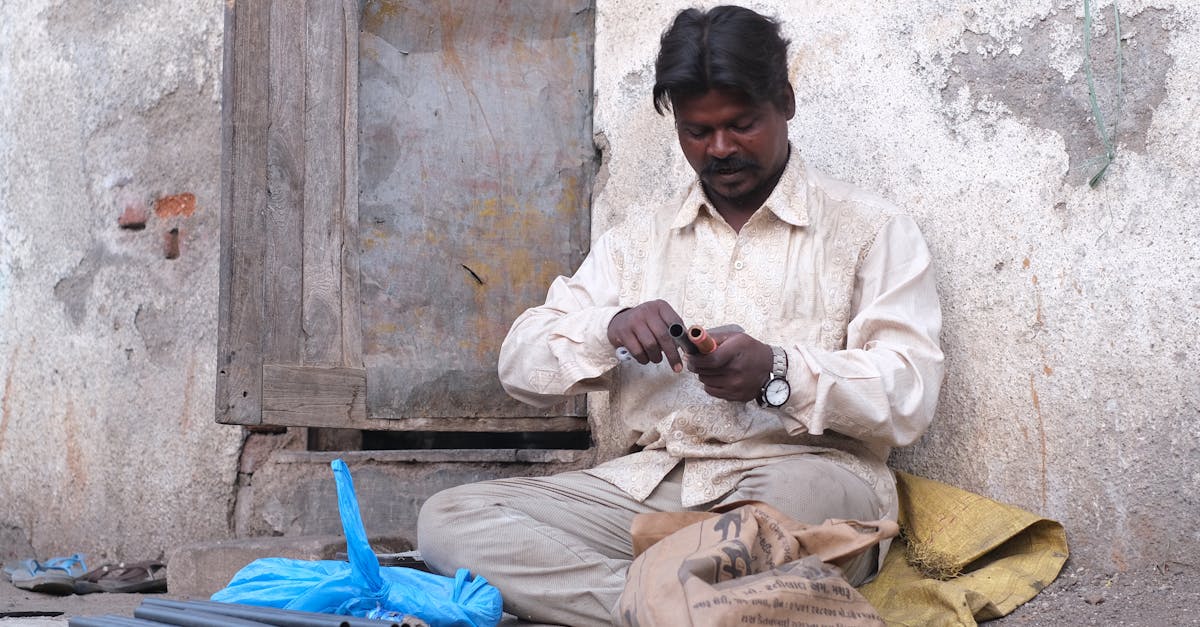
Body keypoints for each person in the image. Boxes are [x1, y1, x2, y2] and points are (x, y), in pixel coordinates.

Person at [417, 5, 944, 626]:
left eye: (741, 125)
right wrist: (607, 327)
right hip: (653, 484)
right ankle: (674, 607)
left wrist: (779, 372)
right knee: (447, 523)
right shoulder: (636, 241)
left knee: (772, 528)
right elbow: (519, 363)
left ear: (787, 102)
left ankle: (659, 597)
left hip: (798, 479)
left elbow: (909, 391)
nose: (720, 148)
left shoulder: (871, 230)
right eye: (697, 132)